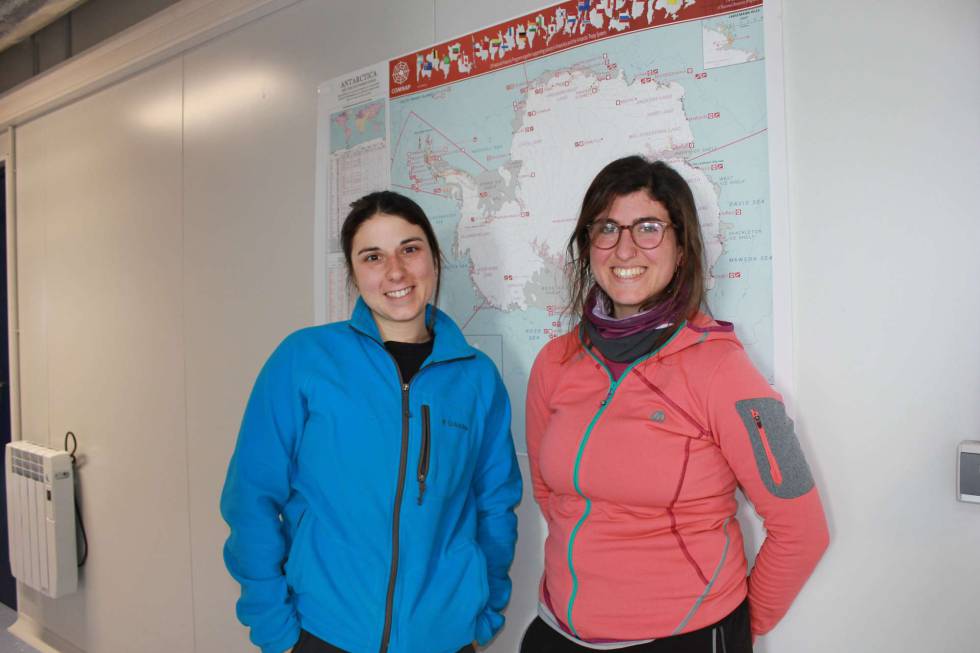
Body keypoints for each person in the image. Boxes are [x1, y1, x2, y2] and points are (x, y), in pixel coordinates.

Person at [522, 156, 829, 652]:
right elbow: (548, 493)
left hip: (681, 637)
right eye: (606, 228)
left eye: (648, 227)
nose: (625, 248)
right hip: (556, 631)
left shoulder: (725, 370)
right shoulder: (554, 363)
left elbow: (802, 527)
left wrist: (731, 631)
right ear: (588, 244)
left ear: (682, 247)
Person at [221, 190, 522, 653]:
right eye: (373, 257)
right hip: (324, 635)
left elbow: (495, 507)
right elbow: (251, 499)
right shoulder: (303, 361)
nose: (395, 271)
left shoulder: (477, 379)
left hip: (446, 638)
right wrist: (276, 630)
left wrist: (484, 612)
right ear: (354, 274)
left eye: (410, 249)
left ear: (434, 261)